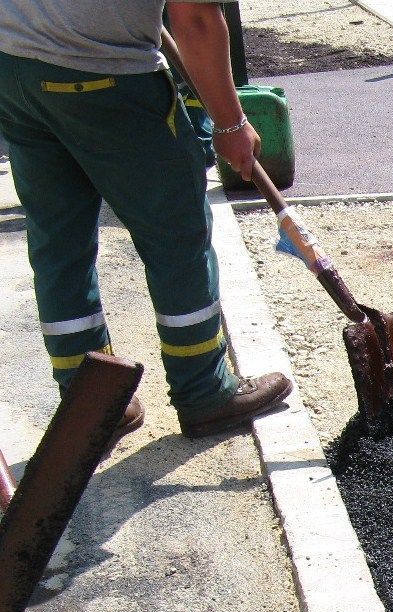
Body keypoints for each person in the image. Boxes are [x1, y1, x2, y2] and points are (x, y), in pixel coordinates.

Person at [0, 0, 292, 445]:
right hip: (103, 73)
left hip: (14, 69)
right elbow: (195, 18)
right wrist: (231, 125)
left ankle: (90, 403)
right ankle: (204, 391)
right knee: (176, 236)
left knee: (59, 242)